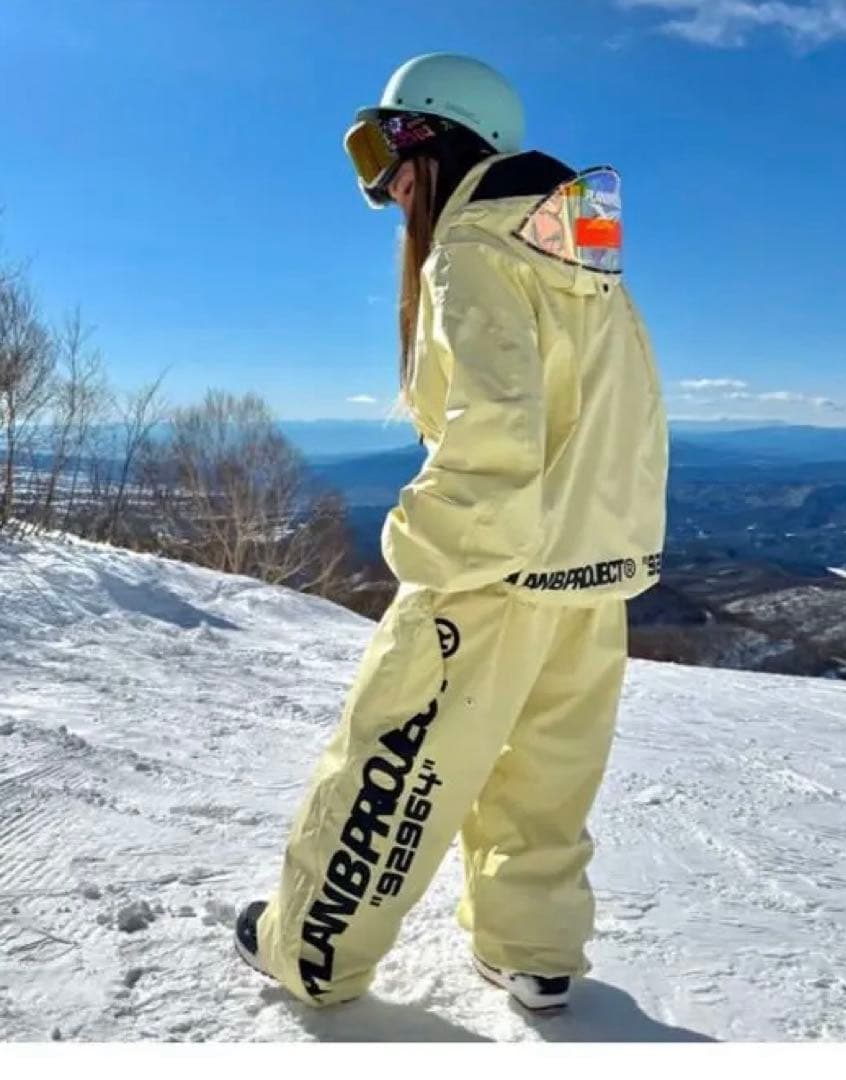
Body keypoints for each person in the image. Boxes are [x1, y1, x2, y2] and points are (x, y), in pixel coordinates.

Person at [234, 52, 668, 1012]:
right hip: (589, 570)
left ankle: (312, 950)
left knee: (392, 765)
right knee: (546, 776)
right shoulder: (583, 262)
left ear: (432, 134)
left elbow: (496, 430)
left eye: (382, 151)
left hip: (492, 572)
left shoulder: (474, 249)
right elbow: (624, 422)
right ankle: (532, 948)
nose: (382, 186)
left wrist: (423, 549)